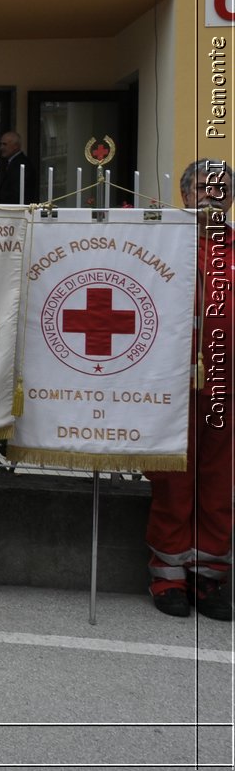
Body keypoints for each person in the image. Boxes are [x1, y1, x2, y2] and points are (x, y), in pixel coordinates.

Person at [143, 159, 233, 619]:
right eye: (201, 187)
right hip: (174, 387)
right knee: (174, 484)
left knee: (220, 485)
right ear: (185, 196)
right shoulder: (166, 242)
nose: (210, 195)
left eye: (220, 188)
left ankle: (209, 579)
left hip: (227, 388)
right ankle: (168, 575)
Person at [0, 131, 34, 204]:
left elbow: (16, 193)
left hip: (16, 210)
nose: (1, 148)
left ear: (15, 146)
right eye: (1, 144)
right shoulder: (7, 163)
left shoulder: (21, 164)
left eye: (5, 144)